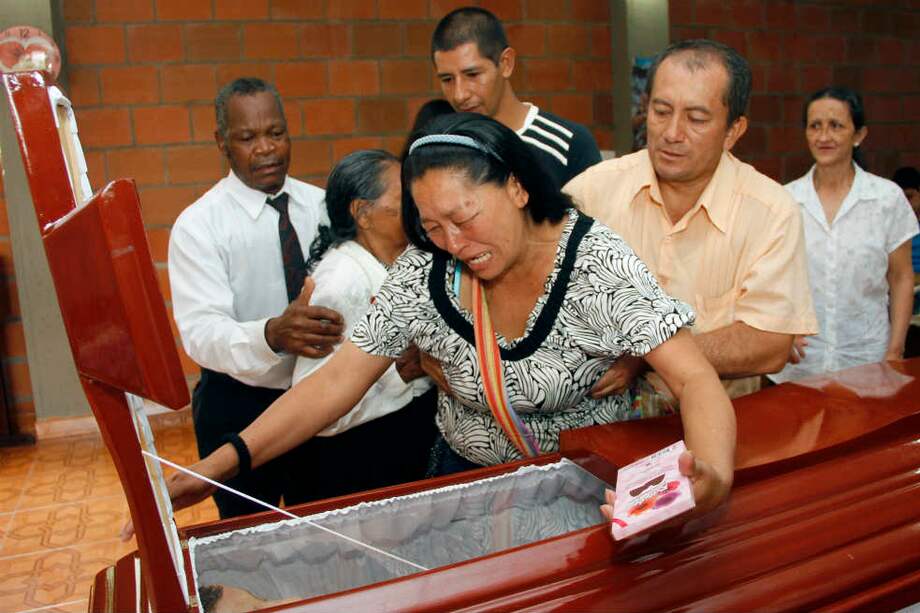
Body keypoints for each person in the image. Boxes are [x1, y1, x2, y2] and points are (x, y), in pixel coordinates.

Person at [161, 113, 736, 528]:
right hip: (466, 486)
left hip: (585, 487)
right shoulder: (425, 271)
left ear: (516, 187)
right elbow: (335, 382)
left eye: (464, 217)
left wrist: (711, 472)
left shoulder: (595, 264)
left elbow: (693, 379)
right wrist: (222, 463)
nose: (454, 243)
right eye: (432, 226)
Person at [564, 39, 818, 405]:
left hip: (720, 422)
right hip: (601, 424)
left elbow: (770, 342)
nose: (672, 133)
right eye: (661, 111)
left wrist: (647, 356)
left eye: (696, 119)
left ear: (733, 131)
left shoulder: (770, 212)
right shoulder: (592, 192)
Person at [167, 77, 345, 519]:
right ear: (222, 142)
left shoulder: (323, 206)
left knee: (325, 523)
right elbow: (202, 333)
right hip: (238, 403)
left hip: (319, 397)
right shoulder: (199, 226)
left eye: (275, 133)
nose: (266, 148)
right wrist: (270, 335)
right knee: (248, 532)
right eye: (248, 138)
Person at [290, 149, 438, 500]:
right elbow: (316, 404)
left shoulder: (407, 259)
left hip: (401, 438)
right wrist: (399, 374)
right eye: (404, 197)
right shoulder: (341, 282)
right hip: (358, 459)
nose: (417, 204)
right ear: (363, 213)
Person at [771, 88, 919, 383]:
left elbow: (901, 277)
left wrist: (895, 349)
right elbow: (771, 278)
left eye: (836, 126)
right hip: (799, 364)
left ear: (858, 134)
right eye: (815, 126)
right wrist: (780, 330)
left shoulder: (886, 199)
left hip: (868, 360)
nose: (824, 136)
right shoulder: (785, 200)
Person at [431, 7, 601, 189]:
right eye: (447, 79)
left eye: (472, 75)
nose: (459, 95)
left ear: (506, 63)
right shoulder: (438, 150)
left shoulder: (568, 145)